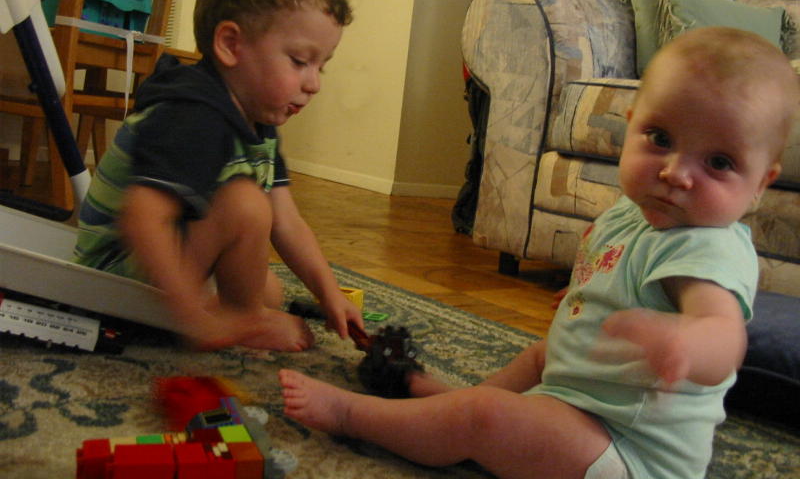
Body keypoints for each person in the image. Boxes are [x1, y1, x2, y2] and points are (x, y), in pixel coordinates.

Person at [279, 26, 800, 479]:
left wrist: (684, 344)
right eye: (660, 137)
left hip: (628, 453)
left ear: (760, 184)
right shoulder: (633, 211)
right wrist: (585, 294)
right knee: (540, 355)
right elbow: (613, 271)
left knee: (485, 418)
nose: (675, 173)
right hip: (578, 407)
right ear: (631, 123)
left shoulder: (706, 247)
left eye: (719, 162)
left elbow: (724, 334)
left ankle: (356, 417)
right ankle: (450, 409)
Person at [72, 0, 363, 352]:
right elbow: (142, 219)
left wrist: (328, 293)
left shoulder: (258, 122)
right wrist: (197, 321)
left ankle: (235, 311)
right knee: (246, 204)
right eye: (300, 61)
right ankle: (237, 317)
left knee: (270, 290)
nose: (314, 83)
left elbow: (288, 222)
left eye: (322, 66)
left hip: (160, 261)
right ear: (230, 44)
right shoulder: (193, 114)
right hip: (112, 278)